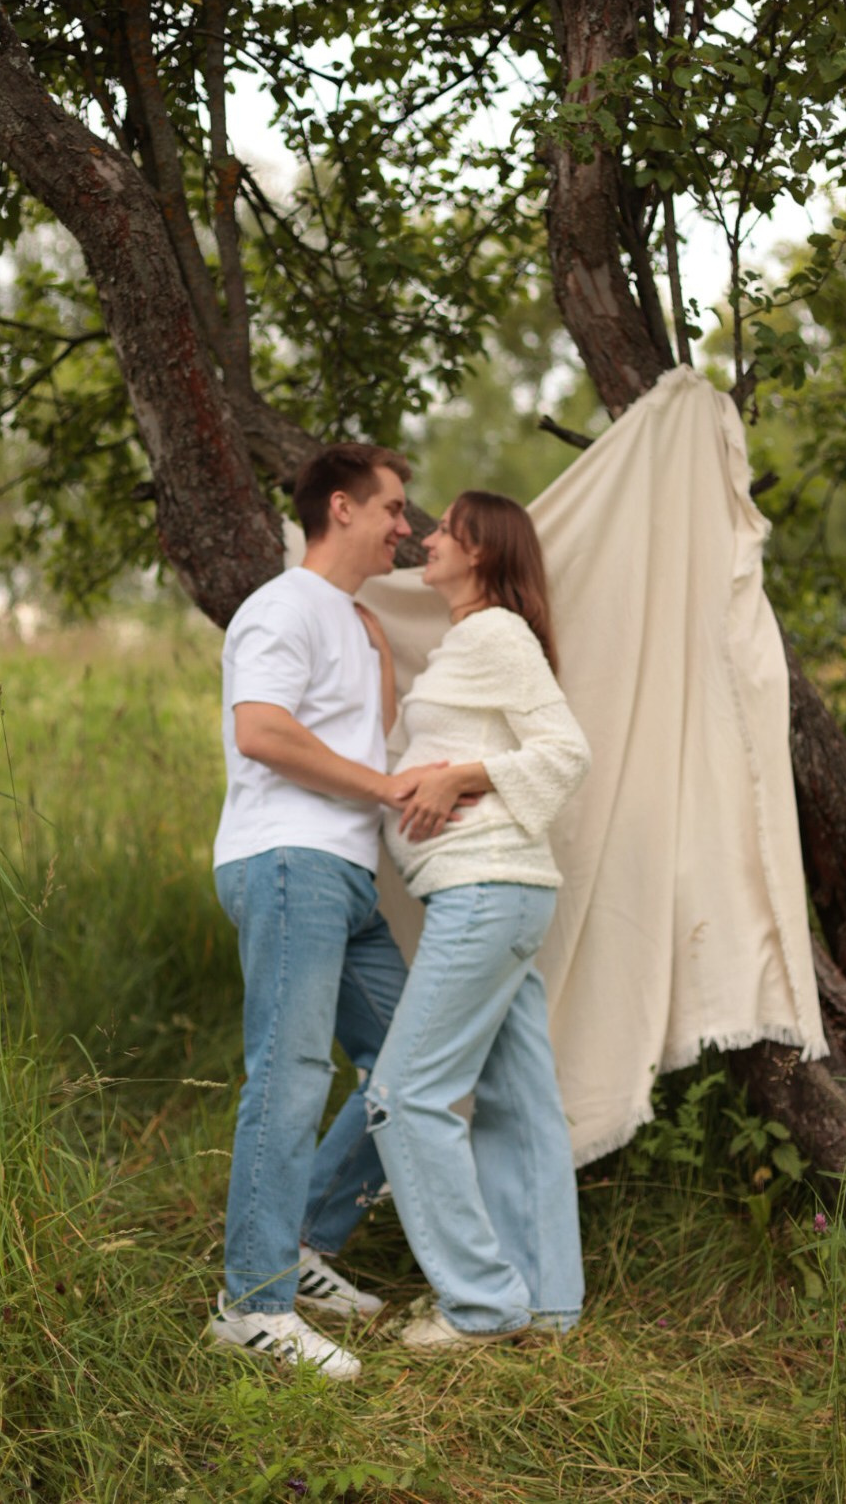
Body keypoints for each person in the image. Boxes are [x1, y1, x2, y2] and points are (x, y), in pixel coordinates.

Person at [208, 443, 450, 1382]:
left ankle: (304, 1239)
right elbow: (261, 731)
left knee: (415, 1059)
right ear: (341, 508)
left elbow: (364, 736)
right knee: (292, 1073)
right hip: (286, 863)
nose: (407, 525)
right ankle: (251, 1301)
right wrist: (388, 787)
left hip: (346, 879)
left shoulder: (357, 624)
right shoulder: (280, 606)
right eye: (394, 508)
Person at [364, 490, 591, 1350]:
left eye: (446, 531)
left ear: (484, 553)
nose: (427, 538)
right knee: (517, 1103)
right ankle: (547, 1305)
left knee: (404, 1095)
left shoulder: (497, 632)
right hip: (502, 891)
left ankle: (481, 1306)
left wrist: (462, 776)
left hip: (488, 888)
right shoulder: (473, 639)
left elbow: (564, 751)